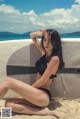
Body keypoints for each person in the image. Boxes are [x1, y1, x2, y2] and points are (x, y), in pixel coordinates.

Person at [0, 29, 64, 116]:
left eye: (50, 40)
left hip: (43, 95)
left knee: (8, 81)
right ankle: (43, 112)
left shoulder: (55, 59)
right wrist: (41, 33)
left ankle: (43, 108)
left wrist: (27, 91)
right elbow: (32, 36)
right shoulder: (44, 53)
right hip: (36, 95)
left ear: (55, 42)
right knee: (8, 104)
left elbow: (42, 81)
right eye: (45, 40)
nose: (46, 43)